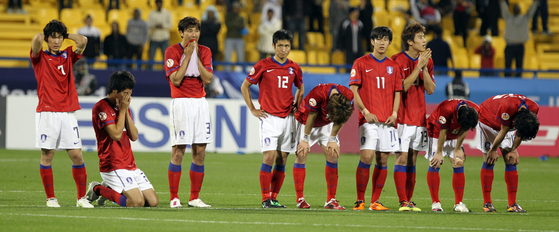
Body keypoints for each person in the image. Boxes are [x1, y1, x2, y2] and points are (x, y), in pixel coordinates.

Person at [30, 19, 93, 208]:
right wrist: (44, 35)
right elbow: (36, 40)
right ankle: (51, 198)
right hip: (47, 113)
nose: (56, 41)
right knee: (47, 155)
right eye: (53, 38)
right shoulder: (39, 57)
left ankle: (81, 199)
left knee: (77, 156)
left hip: (67, 113)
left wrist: (65, 35)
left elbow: (83, 41)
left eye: (59, 38)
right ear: (48, 39)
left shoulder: (68, 55)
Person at [240, 30, 304, 208]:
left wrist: (297, 104)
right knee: (269, 156)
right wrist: (253, 109)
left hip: (288, 119)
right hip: (269, 117)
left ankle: (274, 197)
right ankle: (264, 198)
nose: (284, 49)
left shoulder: (294, 67)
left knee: (282, 159)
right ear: (273, 46)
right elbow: (245, 86)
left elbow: (300, 87)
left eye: (287, 46)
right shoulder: (263, 65)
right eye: (280, 45)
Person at [86, 70, 159, 208]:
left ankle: (109, 187)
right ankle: (97, 189)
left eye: (130, 93)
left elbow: (134, 136)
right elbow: (116, 135)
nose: (128, 97)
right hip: (112, 165)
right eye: (125, 93)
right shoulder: (101, 107)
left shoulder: (124, 108)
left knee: (153, 202)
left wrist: (124, 111)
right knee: (136, 203)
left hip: (130, 164)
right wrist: (123, 111)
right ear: (114, 91)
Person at [350, 26, 403, 211]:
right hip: (368, 119)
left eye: (385, 39)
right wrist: (365, 111)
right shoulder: (361, 63)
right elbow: (354, 91)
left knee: (383, 160)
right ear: (372, 41)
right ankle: (359, 200)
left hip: (387, 120)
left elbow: (398, 92)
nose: (382, 42)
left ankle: (375, 201)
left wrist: (395, 114)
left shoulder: (394, 66)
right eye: (378, 39)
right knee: (367, 156)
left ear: (389, 42)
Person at [164, 16, 214, 208]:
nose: (194, 34)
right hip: (181, 103)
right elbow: (175, 79)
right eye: (190, 30)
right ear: (182, 33)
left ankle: (194, 198)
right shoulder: (172, 51)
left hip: (200, 103)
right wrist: (186, 56)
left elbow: (208, 78)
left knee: (200, 152)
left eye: (196, 30)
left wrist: (197, 57)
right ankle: (174, 197)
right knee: (178, 151)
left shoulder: (205, 51)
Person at [391, 22, 435, 212]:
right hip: (402, 117)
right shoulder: (397, 60)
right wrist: (418, 67)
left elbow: (431, 90)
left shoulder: (427, 61)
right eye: (419, 37)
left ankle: (409, 199)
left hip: (419, 118)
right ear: (409, 41)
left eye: (424, 37)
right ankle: (402, 201)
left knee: (413, 159)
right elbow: (402, 86)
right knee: (401, 157)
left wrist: (424, 68)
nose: (424, 41)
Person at [293, 83, 354, 210]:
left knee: (333, 155)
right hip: (307, 122)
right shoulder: (318, 94)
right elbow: (311, 116)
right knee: (301, 154)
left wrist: (332, 138)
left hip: (326, 126)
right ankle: (300, 199)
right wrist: (305, 140)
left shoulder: (348, 96)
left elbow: (341, 118)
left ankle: (331, 200)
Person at [477, 94, 539, 213]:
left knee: (511, 160)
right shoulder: (508, 106)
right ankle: (487, 203)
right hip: (488, 118)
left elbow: (521, 130)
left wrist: (513, 149)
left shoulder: (534, 108)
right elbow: (503, 131)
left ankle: (512, 204)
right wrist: (493, 150)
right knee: (490, 159)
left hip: (507, 121)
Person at [425, 99, 479, 212]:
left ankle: (459, 203)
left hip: (455, 135)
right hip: (437, 132)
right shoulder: (447, 109)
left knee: (458, 162)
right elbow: (443, 132)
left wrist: (458, 148)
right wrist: (439, 153)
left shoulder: (474, 110)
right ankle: (436, 203)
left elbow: (465, 128)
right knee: (435, 163)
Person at [500, 0, 539, 77]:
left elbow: (531, 10)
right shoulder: (508, 17)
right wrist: (502, 2)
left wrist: (536, 2)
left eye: (517, 8)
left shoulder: (525, 18)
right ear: (513, 10)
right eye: (515, 8)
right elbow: (504, 8)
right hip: (509, 46)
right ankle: (506, 83)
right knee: (507, 67)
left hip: (520, 46)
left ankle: (519, 83)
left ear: (520, 10)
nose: (516, 9)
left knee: (519, 67)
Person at [148, 0, 173, 70]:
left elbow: (171, 25)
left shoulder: (167, 13)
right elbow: (149, 25)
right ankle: (150, 73)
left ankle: (166, 73)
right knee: (151, 58)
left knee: (166, 58)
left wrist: (162, 25)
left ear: (162, 4)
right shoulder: (152, 13)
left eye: (160, 3)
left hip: (164, 38)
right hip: (154, 38)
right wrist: (155, 25)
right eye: (157, 3)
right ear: (156, 4)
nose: (159, 4)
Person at [224, 2, 246, 71]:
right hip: (229, 38)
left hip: (239, 38)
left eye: (237, 8)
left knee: (240, 56)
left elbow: (242, 26)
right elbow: (228, 25)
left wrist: (234, 25)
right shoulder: (228, 16)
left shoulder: (241, 17)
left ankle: (239, 71)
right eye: (235, 8)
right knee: (227, 56)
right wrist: (237, 25)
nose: (236, 9)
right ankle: (227, 71)